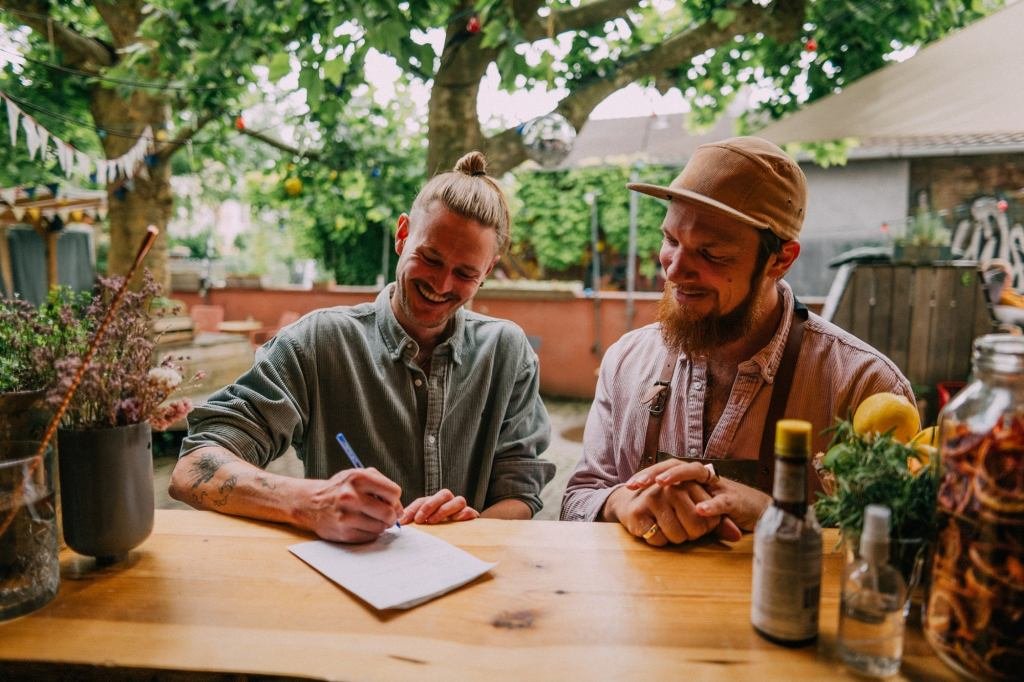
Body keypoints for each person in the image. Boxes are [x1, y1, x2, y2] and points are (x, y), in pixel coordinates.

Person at [170, 151, 554, 543]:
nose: (440, 285)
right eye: (430, 258)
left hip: (468, 586)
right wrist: (310, 501)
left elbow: (520, 493)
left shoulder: (508, 352)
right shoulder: (318, 343)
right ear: (402, 234)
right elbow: (193, 467)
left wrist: (464, 539)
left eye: (464, 273)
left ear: (487, 271)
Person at [561, 136, 914, 547]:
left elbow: (901, 544)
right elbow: (576, 499)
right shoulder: (626, 360)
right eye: (671, 240)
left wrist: (773, 514)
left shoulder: (863, 386)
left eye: (711, 253)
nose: (674, 271)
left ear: (780, 260)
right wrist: (620, 502)